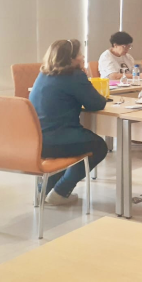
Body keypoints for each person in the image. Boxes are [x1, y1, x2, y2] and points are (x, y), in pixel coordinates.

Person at [29, 40, 108, 206]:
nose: (83, 57)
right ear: (70, 59)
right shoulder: (74, 76)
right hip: (57, 140)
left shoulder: (43, 74)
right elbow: (97, 103)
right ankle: (61, 191)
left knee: (71, 146)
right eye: (80, 54)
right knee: (99, 146)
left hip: (36, 141)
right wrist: (85, 78)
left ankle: (45, 190)